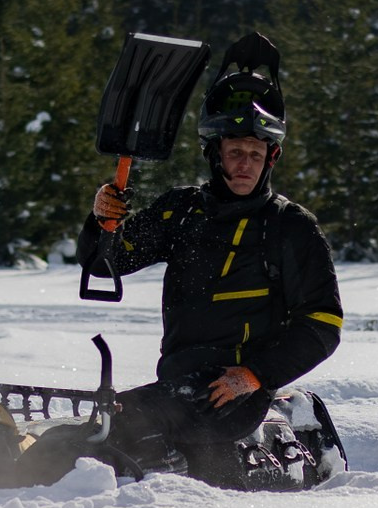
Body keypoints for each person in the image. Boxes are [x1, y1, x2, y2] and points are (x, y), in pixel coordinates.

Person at [75, 33, 344, 482]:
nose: (245, 164)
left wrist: (255, 374)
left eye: (256, 155)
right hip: (178, 383)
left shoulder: (290, 226)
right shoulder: (182, 210)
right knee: (102, 430)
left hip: (233, 391)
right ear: (214, 154)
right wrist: (102, 220)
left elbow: (323, 324)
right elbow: (109, 262)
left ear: (270, 158)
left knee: (118, 434)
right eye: (235, 152)